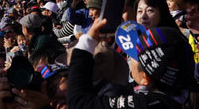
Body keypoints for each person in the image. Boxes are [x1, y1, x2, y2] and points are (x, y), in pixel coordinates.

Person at [67, 18, 196, 108]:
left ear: (144, 79)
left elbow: (79, 103)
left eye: (134, 54)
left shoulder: (145, 104)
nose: (129, 57)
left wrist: (86, 43)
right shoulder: (188, 91)